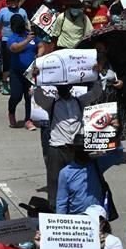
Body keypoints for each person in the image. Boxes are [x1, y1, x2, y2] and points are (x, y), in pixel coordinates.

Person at [32, 77, 103, 210]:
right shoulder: (51, 104)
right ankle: (54, 208)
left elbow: (96, 93)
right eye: (60, 87)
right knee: (54, 180)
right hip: (57, 147)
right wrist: (38, 80)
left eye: (66, 87)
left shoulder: (79, 101)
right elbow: (38, 97)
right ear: (57, 89)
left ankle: (75, 205)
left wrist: (96, 77)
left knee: (78, 179)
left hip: (76, 148)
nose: (63, 89)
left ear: (70, 88)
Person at [55, 143, 121, 215]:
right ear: (74, 153)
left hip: (97, 215)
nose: (83, 154)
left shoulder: (97, 164)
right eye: (80, 152)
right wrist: (61, 220)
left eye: (85, 152)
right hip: (77, 217)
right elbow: (61, 201)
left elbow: (117, 154)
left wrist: (112, 139)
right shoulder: (65, 172)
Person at [6, 14, 38, 130]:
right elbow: (14, 48)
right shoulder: (13, 38)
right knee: (16, 96)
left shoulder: (31, 35)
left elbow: (41, 46)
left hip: (30, 72)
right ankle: (11, 112)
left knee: (30, 96)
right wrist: (27, 41)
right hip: (16, 72)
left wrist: (38, 55)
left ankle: (28, 120)